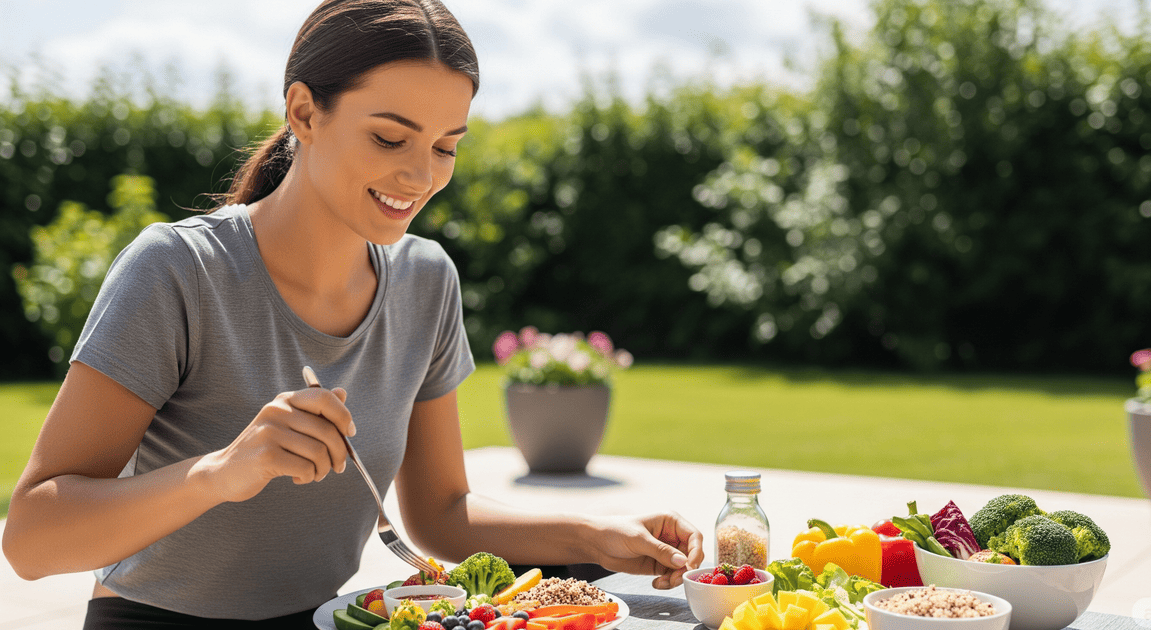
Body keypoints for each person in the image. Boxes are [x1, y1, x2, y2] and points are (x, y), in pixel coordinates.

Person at [1, 1, 704, 627]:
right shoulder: (180, 270)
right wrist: (222, 471)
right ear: (304, 112)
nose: (421, 175)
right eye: (391, 139)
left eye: (445, 147)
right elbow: (32, 540)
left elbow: (439, 513)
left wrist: (593, 534)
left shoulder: (425, 280)